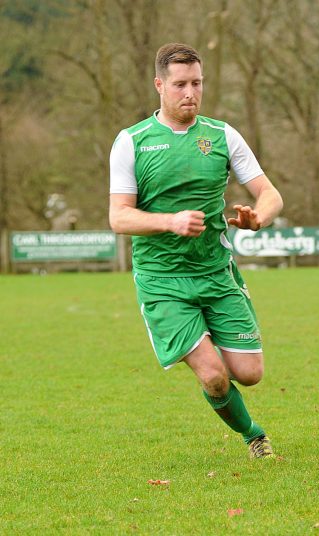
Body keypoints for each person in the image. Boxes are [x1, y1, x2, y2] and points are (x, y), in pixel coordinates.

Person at [109, 43, 283, 460]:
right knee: (215, 377)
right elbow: (119, 217)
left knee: (250, 373)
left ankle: (228, 371)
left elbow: (270, 194)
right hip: (162, 279)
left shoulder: (222, 135)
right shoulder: (131, 142)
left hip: (215, 271)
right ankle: (254, 436)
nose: (190, 92)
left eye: (197, 83)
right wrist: (168, 221)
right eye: (180, 84)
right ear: (159, 85)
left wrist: (259, 217)